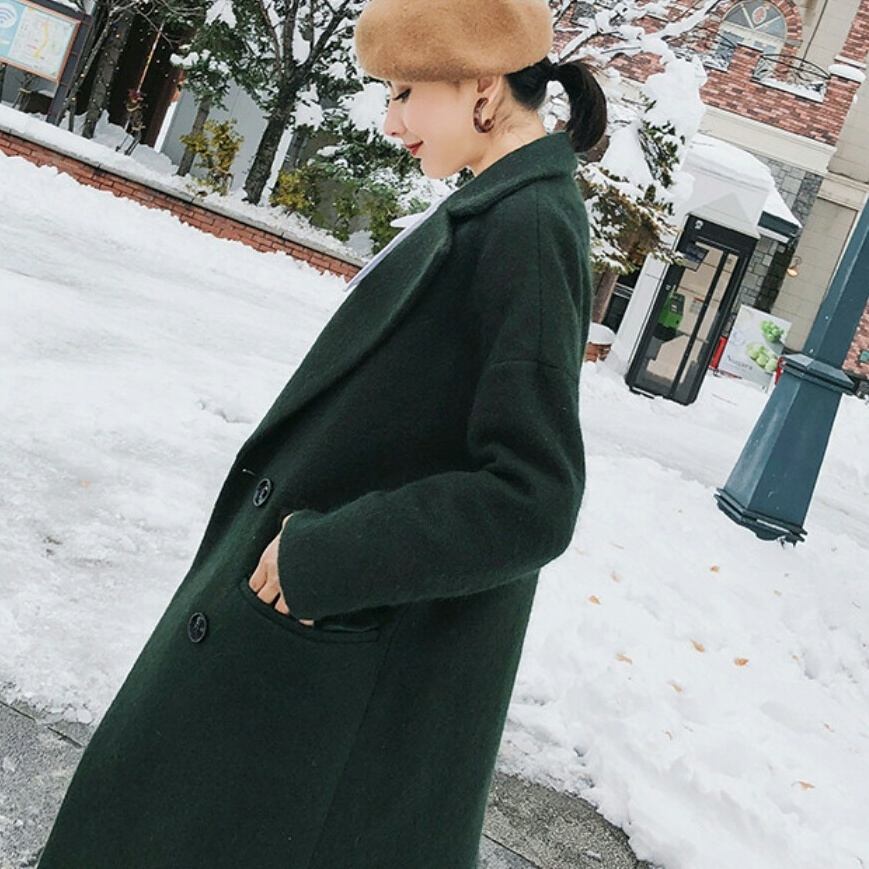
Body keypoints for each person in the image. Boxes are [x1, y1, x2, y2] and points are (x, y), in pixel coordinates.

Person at [36, 0, 607, 867]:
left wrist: (325, 557)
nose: (391, 123)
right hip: (320, 649)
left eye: (405, 92)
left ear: (483, 89)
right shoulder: (498, 207)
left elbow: (534, 496)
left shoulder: (528, 226)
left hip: (342, 659)